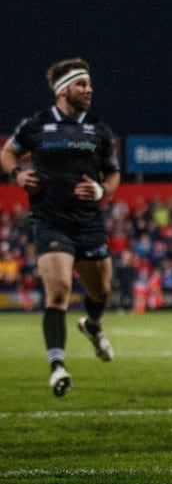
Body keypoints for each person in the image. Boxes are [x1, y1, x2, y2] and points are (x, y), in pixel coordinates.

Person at [1, 57, 120, 397]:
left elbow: (113, 174)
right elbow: (8, 154)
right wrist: (17, 174)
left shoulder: (99, 130)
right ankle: (58, 368)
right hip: (50, 221)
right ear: (63, 90)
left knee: (101, 292)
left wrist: (101, 190)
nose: (89, 90)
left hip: (88, 223)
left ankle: (93, 325)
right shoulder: (35, 125)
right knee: (58, 291)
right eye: (82, 85)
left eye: (90, 85)